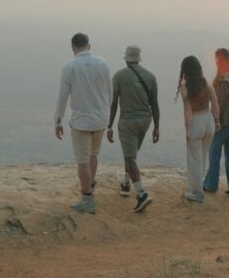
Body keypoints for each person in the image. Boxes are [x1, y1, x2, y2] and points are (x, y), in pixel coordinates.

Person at [54, 33, 112, 214]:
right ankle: (90, 187)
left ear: (73, 48)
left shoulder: (69, 67)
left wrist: (58, 120)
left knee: (82, 160)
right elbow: (109, 92)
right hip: (100, 118)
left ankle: (87, 199)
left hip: (81, 121)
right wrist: (107, 116)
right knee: (93, 155)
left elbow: (63, 96)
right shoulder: (103, 64)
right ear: (89, 46)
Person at [107, 45, 159, 213]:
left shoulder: (119, 77)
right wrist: (156, 127)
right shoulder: (150, 76)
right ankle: (125, 183)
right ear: (139, 58)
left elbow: (114, 103)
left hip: (128, 121)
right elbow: (155, 104)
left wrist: (109, 126)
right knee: (130, 153)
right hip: (145, 121)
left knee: (130, 158)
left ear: (126, 58)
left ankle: (142, 194)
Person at [177, 55, 219, 202]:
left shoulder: (185, 87)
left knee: (194, 159)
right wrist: (217, 121)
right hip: (209, 121)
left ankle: (196, 192)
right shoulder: (206, 82)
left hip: (196, 121)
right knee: (202, 156)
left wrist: (187, 130)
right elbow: (214, 102)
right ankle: (197, 186)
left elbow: (187, 109)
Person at [204, 48, 229, 197]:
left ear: (222, 60)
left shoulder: (223, 79)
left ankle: (210, 185)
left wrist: (215, 121)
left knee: (214, 152)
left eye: (217, 59)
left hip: (224, 121)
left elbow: (218, 103)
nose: (215, 61)